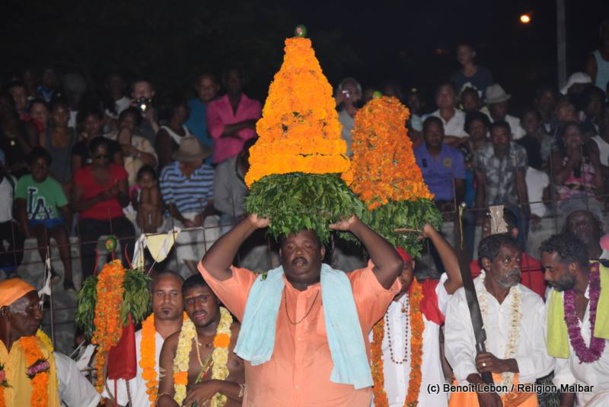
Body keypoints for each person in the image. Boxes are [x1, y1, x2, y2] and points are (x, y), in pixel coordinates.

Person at [199, 214, 403, 406]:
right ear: (281, 254)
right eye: (290, 246)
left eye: (307, 245)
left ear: (321, 252)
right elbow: (212, 266)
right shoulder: (256, 293)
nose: (298, 252)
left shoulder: (352, 292)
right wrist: (250, 223)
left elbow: (391, 265)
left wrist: (354, 225)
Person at [445, 234, 554, 407]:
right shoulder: (463, 298)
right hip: (473, 389)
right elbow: (456, 347)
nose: (516, 265)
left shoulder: (532, 302)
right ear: (487, 263)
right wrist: (480, 386)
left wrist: (504, 365)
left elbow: (546, 358)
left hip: (520, 395)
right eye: (507, 260)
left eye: (518, 259)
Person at [370, 224, 462, 406]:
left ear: (412, 266)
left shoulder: (427, 296)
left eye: (403, 268)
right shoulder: (366, 302)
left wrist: (431, 232)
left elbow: (458, 278)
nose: (398, 276)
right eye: (391, 270)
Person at [0, 278, 101, 406]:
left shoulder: (53, 362)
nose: (39, 315)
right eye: (31, 308)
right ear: (6, 312)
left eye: (39, 307)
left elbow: (90, 402)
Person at [541, 233, 609, 406]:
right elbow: (564, 361)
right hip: (584, 397)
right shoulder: (556, 297)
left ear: (572, 266)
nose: (546, 277)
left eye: (551, 269)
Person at [157, 274, 244, 407]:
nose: (197, 307)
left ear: (217, 297)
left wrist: (217, 386)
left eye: (203, 298)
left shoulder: (243, 335)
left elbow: (263, 391)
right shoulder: (173, 344)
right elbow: (164, 396)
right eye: (190, 301)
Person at [103, 271, 185, 407]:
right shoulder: (131, 344)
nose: (166, 300)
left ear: (185, 298)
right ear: (151, 298)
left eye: (174, 294)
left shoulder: (198, 338)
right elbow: (114, 398)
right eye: (160, 294)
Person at [72, 137, 135, 278]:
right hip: (91, 219)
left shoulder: (118, 171)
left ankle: (128, 277)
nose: (102, 160)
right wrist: (99, 198)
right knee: (87, 239)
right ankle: (88, 281)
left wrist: (118, 194)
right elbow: (75, 205)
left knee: (128, 232)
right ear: (91, 155)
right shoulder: (82, 174)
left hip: (115, 216)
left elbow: (125, 202)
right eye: (98, 156)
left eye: (106, 156)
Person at [15, 147, 75, 291]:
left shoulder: (53, 184)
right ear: (30, 167)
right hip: (34, 221)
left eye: (44, 166)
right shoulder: (24, 181)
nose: (41, 169)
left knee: (61, 234)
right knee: (42, 231)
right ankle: (50, 270)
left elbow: (66, 209)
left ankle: (69, 277)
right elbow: (21, 205)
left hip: (53, 220)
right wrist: (25, 227)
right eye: (37, 165)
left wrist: (68, 227)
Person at [159, 136, 215, 276]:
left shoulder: (209, 172)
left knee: (211, 230)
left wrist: (201, 216)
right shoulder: (168, 173)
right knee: (179, 232)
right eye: (198, 157)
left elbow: (211, 202)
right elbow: (169, 204)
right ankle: (198, 276)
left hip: (202, 213)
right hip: (177, 214)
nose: (201, 160)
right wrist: (184, 220)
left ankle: (210, 270)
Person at [474, 121, 529, 250]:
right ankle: (503, 256)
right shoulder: (482, 154)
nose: (499, 140)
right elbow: (481, 186)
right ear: (490, 138)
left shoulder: (519, 152)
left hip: (510, 204)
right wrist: (479, 213)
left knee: (522, 221)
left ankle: (521, 256)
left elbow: (520, 182)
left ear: (510, 136)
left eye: (503, 135)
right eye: (495, 136)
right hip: (491, 204)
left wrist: (527, 210)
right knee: (499, 225)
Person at [470, 208, 546, 299]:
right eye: (485, 229)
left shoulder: (535, 269)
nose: (488, 235)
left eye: (495, 230)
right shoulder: (471, 269)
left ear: (514, 233)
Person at [550, 121, 604, 220]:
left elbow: (599, 184)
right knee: (579, 216)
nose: (573, 136)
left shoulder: (592, 156)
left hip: (590, 199)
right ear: (564, 140)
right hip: (567, 199)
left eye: (576, 133)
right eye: (569, 135)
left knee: (595, 217)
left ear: (582, 138)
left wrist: (602, 198)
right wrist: (572, 159)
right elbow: (558, 179)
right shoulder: (557, 156)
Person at [207, 68, 261, 164]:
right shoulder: (214, 106)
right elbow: (215, 131)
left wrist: (225, 131)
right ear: (224, 81)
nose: (234, 82)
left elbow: (249, 134)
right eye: (230, 78)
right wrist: (247, 123)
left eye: (237, 78)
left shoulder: (254, 105)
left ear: (243, 81)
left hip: (245, 164)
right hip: (221, 162)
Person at [105, 107, 158, 186]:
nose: (126, 124)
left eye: (131, 122)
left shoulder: (143, 141)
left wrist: (133, 151)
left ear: (136, 127)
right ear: (119, 122)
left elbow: (153, 162)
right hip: (112, 185)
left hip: (137, 187)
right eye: (124, 121)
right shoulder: (106, 139)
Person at [0, 149, 24, 278]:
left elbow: (18, 201)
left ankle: (12, 268)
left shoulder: (11, 180)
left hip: (9, 221)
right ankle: (5, 269)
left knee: (19, 239)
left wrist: (20, 221)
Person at [184, 73, 219, 150]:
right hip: (195, 158)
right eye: (203, 87)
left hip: (223, 158)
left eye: (210, 87)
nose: (206, 90)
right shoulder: (187, 108)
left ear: (217, 87)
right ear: (197, 88)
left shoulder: (226, 106)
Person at [155, 98, 193, 168]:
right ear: (176, 109)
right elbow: (166, 162)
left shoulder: (186, 129)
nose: (188, 110)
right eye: (185, 107)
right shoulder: (164, 133)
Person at [131, 165, 164, 234]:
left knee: (154, 190)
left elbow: (162, 206)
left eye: (149, 181)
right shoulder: (136, 191)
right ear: (138, 182)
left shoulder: (157, 191)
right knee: (145, 191)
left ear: (154, 181)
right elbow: (135, 206)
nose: (146, 183)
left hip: (156, 220)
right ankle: (146, 228)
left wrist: (154, 207)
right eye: (143, 181)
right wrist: (143, 206)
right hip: (142, 221)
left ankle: (153, 227)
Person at [335, 77, 363, 156]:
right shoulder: (335, 117)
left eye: (352, 91)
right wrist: (335, 102)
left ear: (359, 95)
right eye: (346, 91)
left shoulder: (367, 116)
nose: (349, 94)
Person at [585, 19, 609, 93]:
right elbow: (588, 89)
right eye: (606, 32)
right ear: (601, 35)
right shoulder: (594, 59)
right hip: (601, 101)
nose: (608, 36)